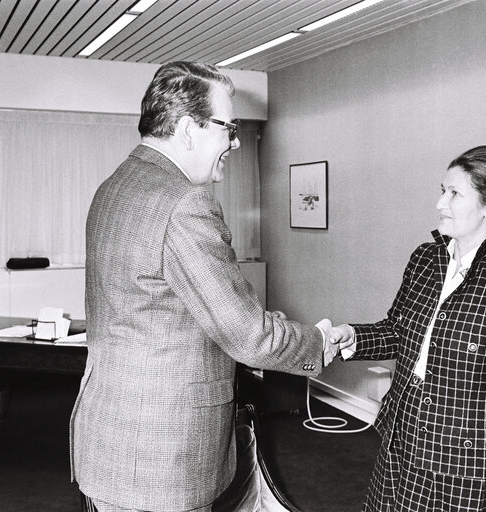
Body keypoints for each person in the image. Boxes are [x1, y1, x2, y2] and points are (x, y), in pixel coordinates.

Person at [70, 61, 337, 512]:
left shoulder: (114, 187)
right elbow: (248, 334)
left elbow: (175, 307)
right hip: (161, 463)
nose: (234, 140)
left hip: (111, 443)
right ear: (190, 128)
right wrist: (319, 342)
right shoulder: (182, 203)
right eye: (228, 127)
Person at [327, 145, 486, 512]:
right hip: (401, 436)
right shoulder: (424, 259)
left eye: (454, 194)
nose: (439, 203)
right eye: (441, 190)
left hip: (466, 464)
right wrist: (351, 336)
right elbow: (399, 332)